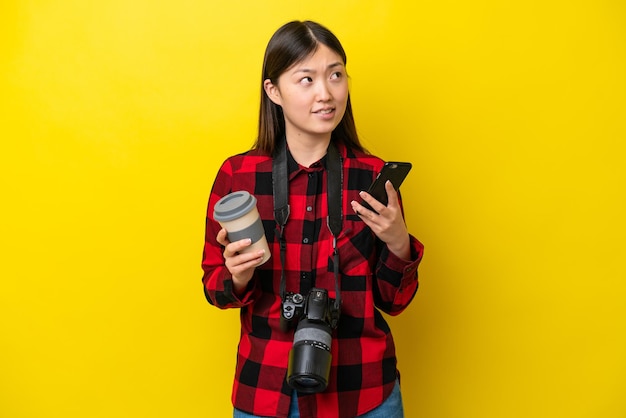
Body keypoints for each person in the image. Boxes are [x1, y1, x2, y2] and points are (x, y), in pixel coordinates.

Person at [201, 20, 424, 418]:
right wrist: (237, 276)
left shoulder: (373, 178)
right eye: (306, 79)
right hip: (266, 389)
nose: (326, 93)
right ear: (274, 91)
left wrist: (398, 243)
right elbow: (214, 289)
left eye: (336, 75)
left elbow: (395, 302)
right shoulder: (239, 178)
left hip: (364, 390)